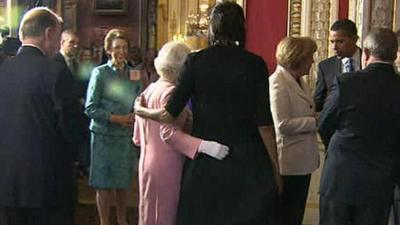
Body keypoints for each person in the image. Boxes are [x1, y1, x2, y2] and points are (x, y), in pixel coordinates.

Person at [134, 2, 280, 225]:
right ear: (241, 27)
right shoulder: (255, 64)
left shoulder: (196, 61)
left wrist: (141, 110)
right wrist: (275, 169)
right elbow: (265, 124)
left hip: (208, 163)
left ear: (212, 27)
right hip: (248, 162)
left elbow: (168, 115)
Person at [0, 7, 83, 225]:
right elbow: (71, 126)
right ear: (49, 34)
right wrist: (80, 158)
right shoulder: (55, 72)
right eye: (58, 36)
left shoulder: (3, 70)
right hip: (49, 185)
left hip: (6, 184)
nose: (57, 45)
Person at [133, 41, 229, 225]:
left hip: (147, 162)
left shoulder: (149, 89)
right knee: (165, 215)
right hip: (168, 164)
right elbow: (169, 134)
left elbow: (138, 138)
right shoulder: (171, 93)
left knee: (149, 214)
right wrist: (205, 146)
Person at [318, 28, 400, 225]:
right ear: (395, 55)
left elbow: (325, 123)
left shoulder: (346, 83)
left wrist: (340, 146)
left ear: (365, 54)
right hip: (380, 182)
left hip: (340, 177)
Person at [85, 28, 142, 225]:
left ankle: (122, 220)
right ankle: (104, 222)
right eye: (117, 47)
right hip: (103, 136)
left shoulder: (134, 73)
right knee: (103, 184)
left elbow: (139, 101)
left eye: (125, 47)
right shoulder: (99, 73)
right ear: (109, 49)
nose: (122, 52)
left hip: (124, 137)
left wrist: (137, 113)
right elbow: (90, 108)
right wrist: (116, 118)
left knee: (122, 183)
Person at [269, 37, 320, 225]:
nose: (313, 61)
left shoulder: (298, 81)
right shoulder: (278, 83)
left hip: (302, 162)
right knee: (287, 216)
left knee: (296, 215)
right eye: (310, 57)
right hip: (289, 164)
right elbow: (281, 124)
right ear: (298, 58)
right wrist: (314, 122)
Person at [314, 19, 361, 112]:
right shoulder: (325, 67)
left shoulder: (370, 61)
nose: (334, 47)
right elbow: (319, 102)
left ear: (355, 39)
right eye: (332, 42)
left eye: (340, 42)